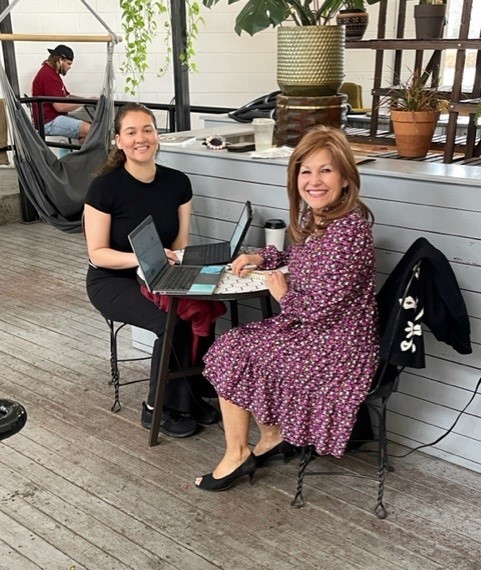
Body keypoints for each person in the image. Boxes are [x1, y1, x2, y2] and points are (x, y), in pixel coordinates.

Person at [195, 125, 379, 491]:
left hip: (338, 347)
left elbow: (320, 308)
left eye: (325, 170)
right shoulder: (320, 217)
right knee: (236, 345)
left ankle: (238, 454)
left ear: (345, 177)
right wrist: (262, 256)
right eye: (305, 171)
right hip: (316, 333)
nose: (314, 180)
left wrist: (282, 294)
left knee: (232, 349)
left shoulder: (350, 231)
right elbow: (300, 257)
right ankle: (271, 434)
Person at [83, 103, 220, 437]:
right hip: (112, 279)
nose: (140, 138)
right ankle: (155, 408)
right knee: (168, 320)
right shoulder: (104, 188)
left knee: (203, 304)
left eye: (148, 129)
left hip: (161, 274)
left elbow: (182, 242)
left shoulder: (177, 183)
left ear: (157, 135)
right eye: (131, 132)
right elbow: (98, 254)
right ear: (118, 140)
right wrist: (144, 258)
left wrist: (184, 262)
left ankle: (189, 395)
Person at [31, 45, 92, 144]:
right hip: (48, 122)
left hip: (54, 118)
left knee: (91, 130)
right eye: (68, 63)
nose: (69, 67)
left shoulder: (52, 73)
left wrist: (88, 99)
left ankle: (84, 158)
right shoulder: (48, 75)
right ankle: (85, 158)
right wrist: (84, 102)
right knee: (92, 131)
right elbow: (60, 107)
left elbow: (67, 97)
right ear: (60, 60)